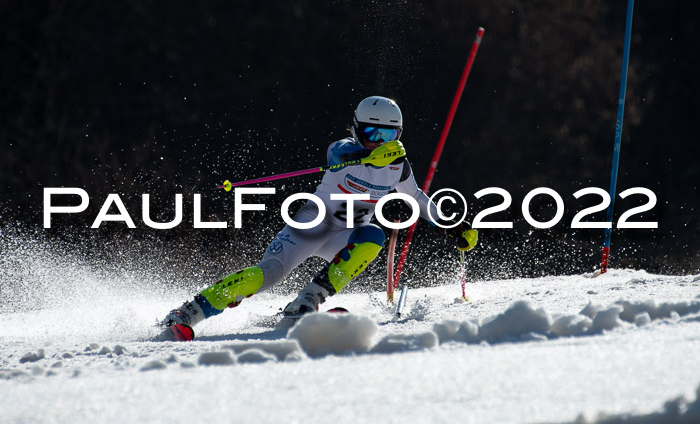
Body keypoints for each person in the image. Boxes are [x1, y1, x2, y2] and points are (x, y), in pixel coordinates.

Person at [160, 96, 478, 340]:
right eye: (371, 132)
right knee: (266, 274)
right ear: (356, 128)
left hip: (345, 235)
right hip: (311, 226)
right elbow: (341, 154)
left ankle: (307, 301)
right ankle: (187, 313)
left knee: (373, 235)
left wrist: (450, 225)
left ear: (399, 133)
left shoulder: (399, 166)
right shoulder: (343, 150)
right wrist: (367, 154)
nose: (379, 141)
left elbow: (417, 199)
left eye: (387, 134)